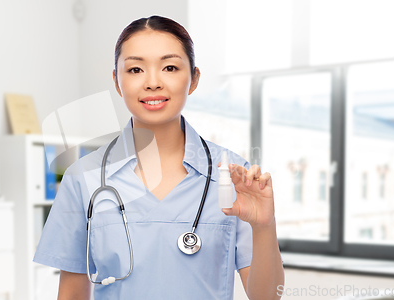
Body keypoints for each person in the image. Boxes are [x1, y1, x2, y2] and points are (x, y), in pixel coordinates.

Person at [33, 15, 284, 300]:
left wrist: (264, 227)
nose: (152, 83)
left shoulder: (235, 176)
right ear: (117, 81)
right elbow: (72, 294)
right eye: (136, 69)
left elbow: (267, 298)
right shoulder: (83, 178)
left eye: (170, 67)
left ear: (193, 79)